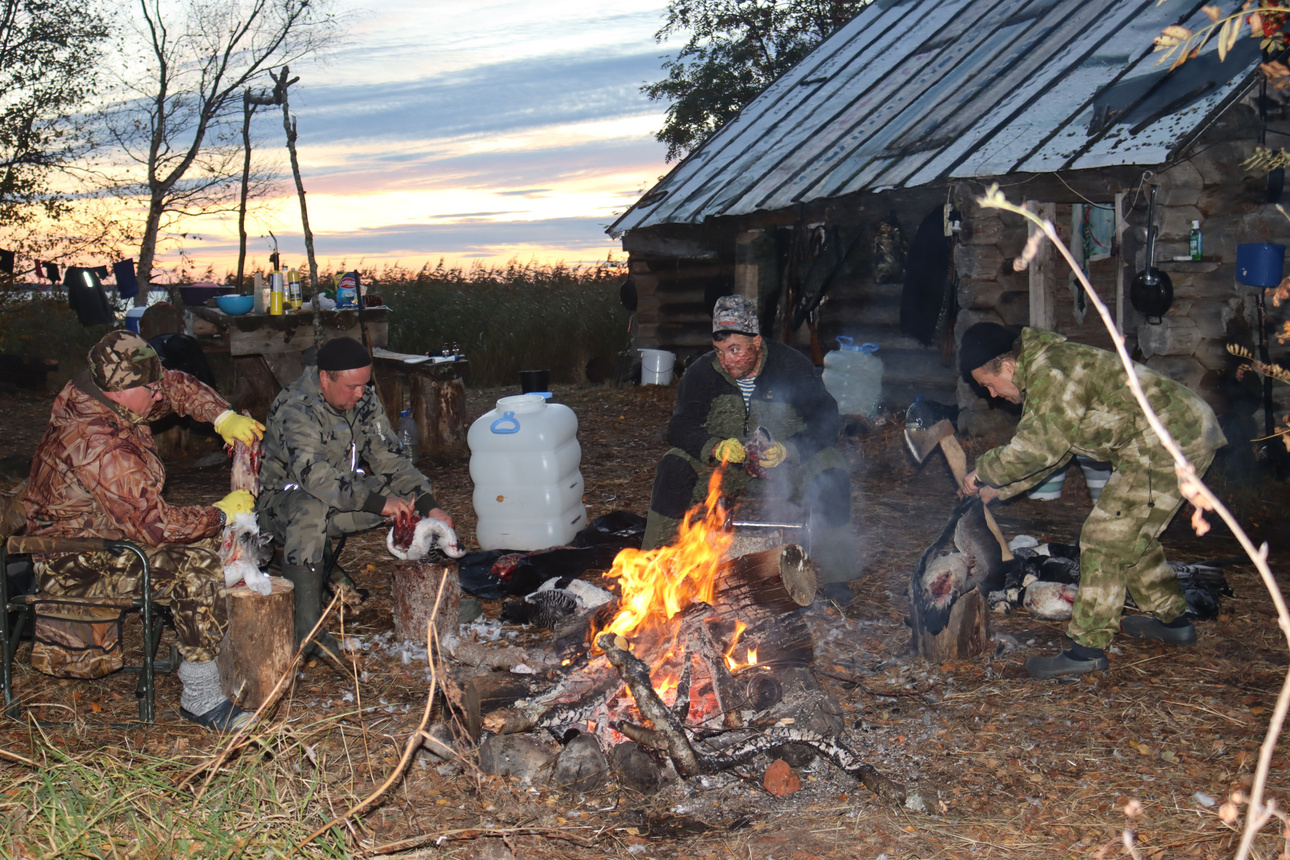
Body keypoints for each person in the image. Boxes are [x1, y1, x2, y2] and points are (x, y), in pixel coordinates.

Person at [957, 323, 1227, 679]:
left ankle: (1086, 651)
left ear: (1007, 367)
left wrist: (982, 472)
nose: (992, 395)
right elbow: (1055, 449)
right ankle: (1173, 621)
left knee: (1103, 539)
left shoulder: (1051, 372)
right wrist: (1000, 489)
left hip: (1171, 440)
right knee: (1131, 538)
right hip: (1167, 438)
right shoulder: (1047, 370)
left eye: (989, 385)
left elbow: (1037, 448)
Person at [23, 330, 263, 730]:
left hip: (109, 532)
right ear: (120, 391)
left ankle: (198, 644)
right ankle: (201, 697)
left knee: (210, 546)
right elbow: (156, 526)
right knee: (196, 566)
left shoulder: (102, 386)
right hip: (72, 558)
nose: (158, 395)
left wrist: (222, 416)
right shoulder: (97, 442)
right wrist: (220, 514)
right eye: (149, 388)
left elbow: (173, 385)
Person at [642, 295, 856, 600]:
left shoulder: (791, 365)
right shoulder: (701, 373)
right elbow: (679, 427)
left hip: (785, 468)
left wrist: (789, 450)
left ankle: (838, 578)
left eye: (734, 350)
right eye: (719, 351)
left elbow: (826, 419)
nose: (726, 361)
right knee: (673, 465)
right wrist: (715, 447)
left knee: (833, 468)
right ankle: (653, 570)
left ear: (756, 342)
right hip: (723, 470)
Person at [257, 337, 454, 659]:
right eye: (352, 386)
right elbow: (315, 478)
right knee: (310, 508)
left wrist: (429, 505)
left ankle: (437, 599)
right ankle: (307, 629)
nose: (360, 393)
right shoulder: (297, 407)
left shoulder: (363, 399)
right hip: (281, 505)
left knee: (410, 496)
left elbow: (389, 458)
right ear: (325, 378)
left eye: (365, 384)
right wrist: (378, 503)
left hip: (340, 498)